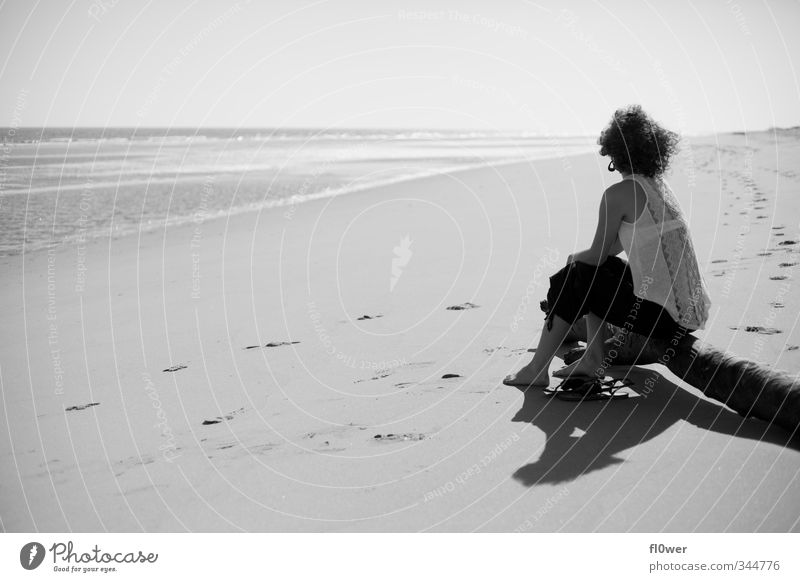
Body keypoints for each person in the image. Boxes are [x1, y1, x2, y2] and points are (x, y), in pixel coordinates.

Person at [504, 105, 711, 393]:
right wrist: (580, 263)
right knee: (589, 272)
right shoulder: (657, 188)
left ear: (613, 151)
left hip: (664, 321)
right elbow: (609, 253)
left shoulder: (619, 194)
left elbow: (597, 255)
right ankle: (592, 357)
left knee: (577, 273)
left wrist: (573, 262)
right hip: (687, 314)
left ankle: (538, 368)